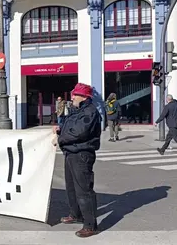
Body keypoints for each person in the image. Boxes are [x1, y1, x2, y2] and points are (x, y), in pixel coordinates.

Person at [54, 83, 101, 238]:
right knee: (71, 187)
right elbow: (70, 128)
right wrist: (60, 130)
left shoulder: (90, 111)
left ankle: (90, 225)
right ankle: (76, 214)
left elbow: (79, 133)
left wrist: (60, 138)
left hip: (81, 153)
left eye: (75, 94)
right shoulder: (76, 111)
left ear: (84, 97)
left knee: (84, 190)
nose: (72, 97)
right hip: (71, 152)